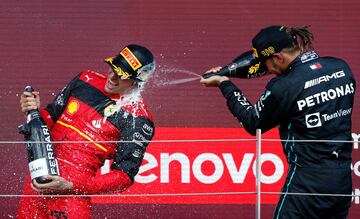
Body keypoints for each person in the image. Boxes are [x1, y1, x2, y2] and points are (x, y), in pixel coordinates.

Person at [200, 25, 356, 218]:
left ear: (279, 58)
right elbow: (303, 76)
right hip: (342, 184)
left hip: (306, 186)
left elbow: (252, 122)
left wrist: (224, 84)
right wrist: (228, 72)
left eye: (266, 64)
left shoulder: (283, 87)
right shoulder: (341, 67)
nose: (266, 69)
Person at [17, 44, 156, 218]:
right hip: (36, 181)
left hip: (70, 195)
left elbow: (123, 177)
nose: (112, 77)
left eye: (122, 75)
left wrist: (71, 186)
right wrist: (33, 111)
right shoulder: (85, 79)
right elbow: (50, 119)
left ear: (138, 81)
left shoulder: (138, 118)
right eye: (113, 68)